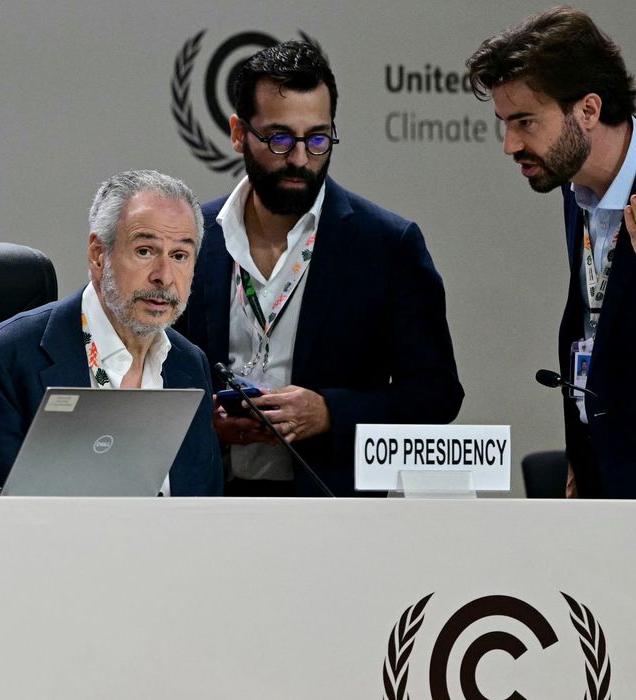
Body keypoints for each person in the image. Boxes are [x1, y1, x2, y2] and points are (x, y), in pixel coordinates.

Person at [174, 39, 464, 497]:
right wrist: (202, 421)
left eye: (318, 138)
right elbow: (151, 376)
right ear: (237, 133)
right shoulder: (191, 235)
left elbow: (437, 394)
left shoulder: (387, 245)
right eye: (280, 138)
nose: (300, 158)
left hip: (333, 509)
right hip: (209, 502)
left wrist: (329, 412)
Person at [467, 7, 636, 499]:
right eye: (504, 123)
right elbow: (593, 330)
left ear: (587, 110)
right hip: (606, 482)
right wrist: (583, 456)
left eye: (524, 122)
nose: (509, 144)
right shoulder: (575, 184)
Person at [0, 170, 223, 496]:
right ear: (98, 254)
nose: (163, 276)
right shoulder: (9, 357)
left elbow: (204, 504)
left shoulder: (189, 365)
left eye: (179, 256)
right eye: (145, 251)